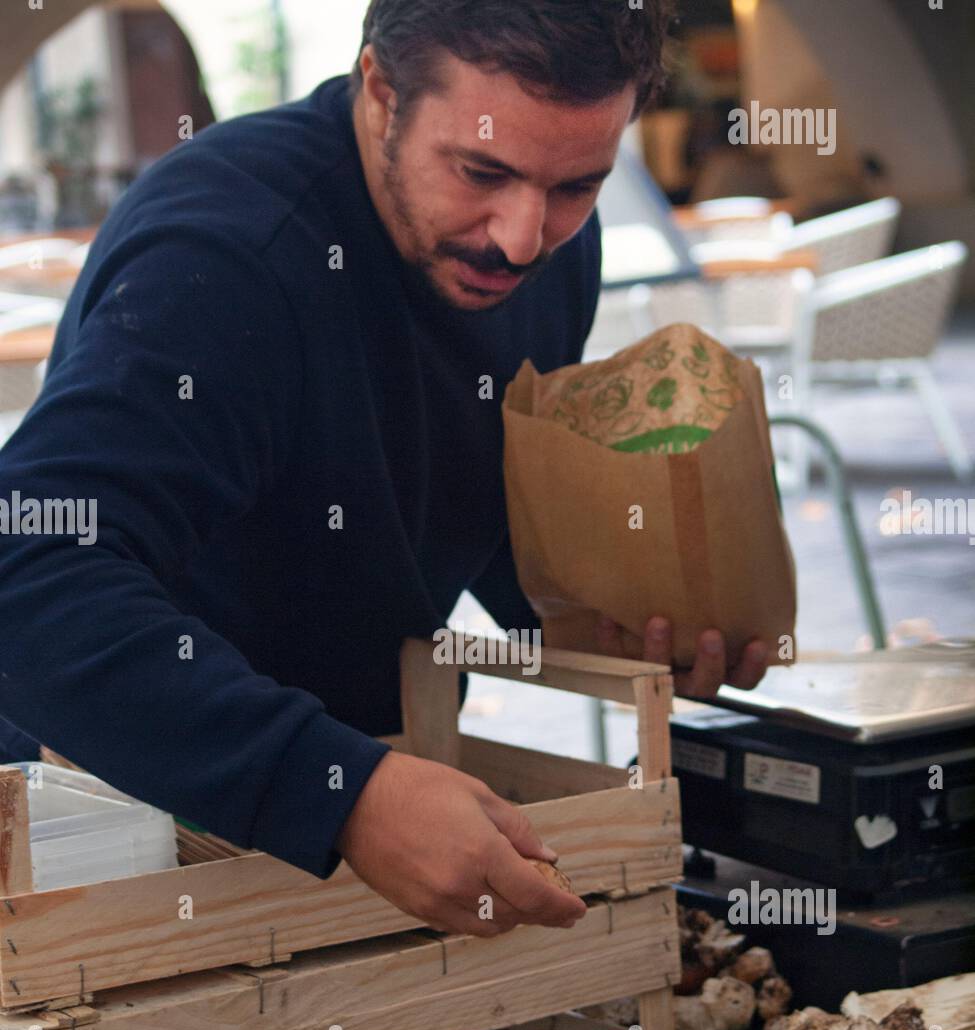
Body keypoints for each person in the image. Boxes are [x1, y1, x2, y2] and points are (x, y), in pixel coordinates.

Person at [0, 0, 767, 939]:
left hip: (372, 769)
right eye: (482, 171)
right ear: (379, 91)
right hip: (106, 817)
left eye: (577, 185)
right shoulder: (229, 251)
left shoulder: (543, 248)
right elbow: (26, 572)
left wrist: (608, 612)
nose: (522, 237)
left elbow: (464, 481)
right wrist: (340, 790)